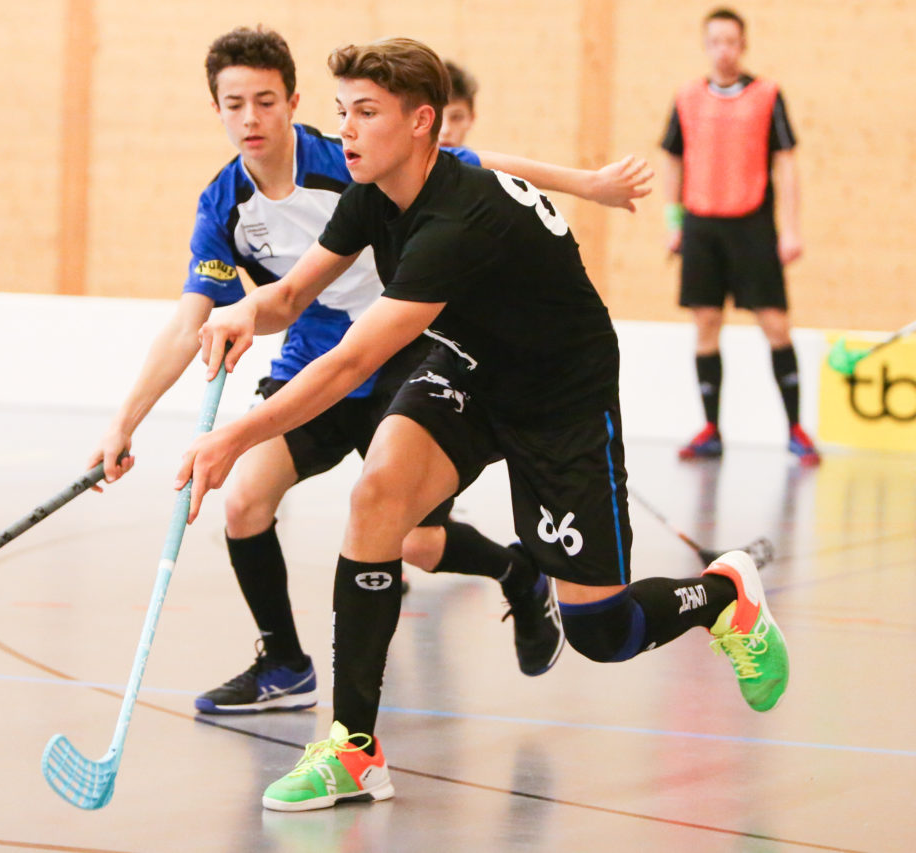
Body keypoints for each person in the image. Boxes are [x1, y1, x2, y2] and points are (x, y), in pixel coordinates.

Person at [178, 37, 788, 812]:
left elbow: (347, 366)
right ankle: (354, 750)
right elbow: (291, 296)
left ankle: (723, 593)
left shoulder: (457, 221)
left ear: (422, 122)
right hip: (468, 364)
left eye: (366, 114)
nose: (348, 132)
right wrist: (243, 310)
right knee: (378, 499)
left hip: (560, 396)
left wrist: (234, 436)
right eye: (343, 113)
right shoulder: (376, 186)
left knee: (603, 630)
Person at [91, 26, 652, 717]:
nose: (250, 118)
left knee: (426, 543)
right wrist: (136, 412)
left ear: (288, 102)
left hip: (410, 352)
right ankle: (301, 681)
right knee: (253, 503)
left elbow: (476, 165)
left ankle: (519, 570)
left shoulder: (367, 167)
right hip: (320, 358)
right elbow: (239, 309)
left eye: (264, 101)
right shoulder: (231, 203)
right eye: (233, 104)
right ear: (217, 110)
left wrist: (590, 185)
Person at [662, 7, 819, 465]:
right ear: (706, 45)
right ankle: (711, 429)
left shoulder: (767, 95)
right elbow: (673, 159)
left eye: (732, 42)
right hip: (701, 225)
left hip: (752, 224)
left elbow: (786, 163)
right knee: (706, 324)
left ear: (743, 45)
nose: (724, 51)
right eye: (716, 42)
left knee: (775, 324)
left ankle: (795, 428)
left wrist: (790, 229)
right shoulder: (687, 96)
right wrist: (674, 225)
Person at [438, 60, 477, 148]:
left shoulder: (475, 161)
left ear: (471, 119)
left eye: (456, 117)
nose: (445, 130)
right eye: (435, 118)